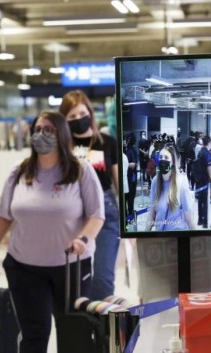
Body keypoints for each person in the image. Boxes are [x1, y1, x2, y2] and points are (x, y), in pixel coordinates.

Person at [0, 110, 104, 353]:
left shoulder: (81, 170)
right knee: (34, 335)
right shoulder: (19, 172)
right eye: (37, 129)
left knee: (73, 335)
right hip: (25, 268)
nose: (41, 134)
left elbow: (97, 215)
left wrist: (83, 239)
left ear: (62, 135)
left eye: (48, 129)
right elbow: (4, 215)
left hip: (71, 268)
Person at [59, 89, 120, 301]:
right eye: (72, 117)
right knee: (75, 280)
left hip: (106, 211)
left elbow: (117, 181)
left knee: (103, 278)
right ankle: (81, 327)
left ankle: (101, 328)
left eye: (82, 114)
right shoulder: (62, 148)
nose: (78, 120)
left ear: (90, 114)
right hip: (71, 212)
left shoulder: (106, 142)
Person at [147, 144, 196, 231]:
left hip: (177, 235)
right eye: (161, 157)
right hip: (160, 236)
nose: (163, 160)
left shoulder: (181, 181)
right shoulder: (155, 181)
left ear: (172, 162)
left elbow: (188, 216)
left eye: (166, 158)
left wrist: (197, 239)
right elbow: (152, 214)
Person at [195, 136, 211, 228]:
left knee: (200, 201)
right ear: (209, 143)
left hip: (198, 179)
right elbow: (209, 169)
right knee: (205, 202)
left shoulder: (200, 152)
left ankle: (200, 220)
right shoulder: (207, 153)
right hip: (204, 180)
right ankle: (205, 222)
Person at [124, 133, 137, 218]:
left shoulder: (131, 150)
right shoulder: (126, 150)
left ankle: (130, 212)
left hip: (131, 177)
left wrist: (126, 164)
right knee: (127, 196)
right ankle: (128, 213)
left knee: (130, 196)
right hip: (127, 177)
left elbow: (134, 164)